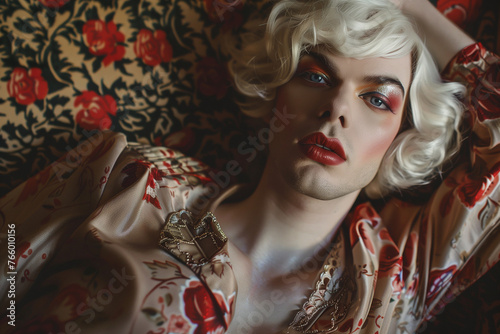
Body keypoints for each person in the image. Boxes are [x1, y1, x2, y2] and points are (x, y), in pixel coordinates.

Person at [0, 0, 498, 333]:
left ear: (402, 138)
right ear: (278, 89)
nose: (336, 109)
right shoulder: (128, 182)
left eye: (376, 98)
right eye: (317, 75)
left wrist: (406, 5)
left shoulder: (398, 277)